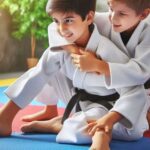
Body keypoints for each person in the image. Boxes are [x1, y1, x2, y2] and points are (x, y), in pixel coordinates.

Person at [7, 0, 149, 150]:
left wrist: (99, 65)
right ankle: (39, 111)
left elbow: (140, 74)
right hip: (86, 93)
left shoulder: (145, 33)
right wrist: (74, 49)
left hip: (133, 93)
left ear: (144, 14)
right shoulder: (101, 18)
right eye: (110, 8)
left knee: (133, 122)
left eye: (121, 13)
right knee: (53, 56)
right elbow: (59, 25)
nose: (112, 18)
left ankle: (62, 125)